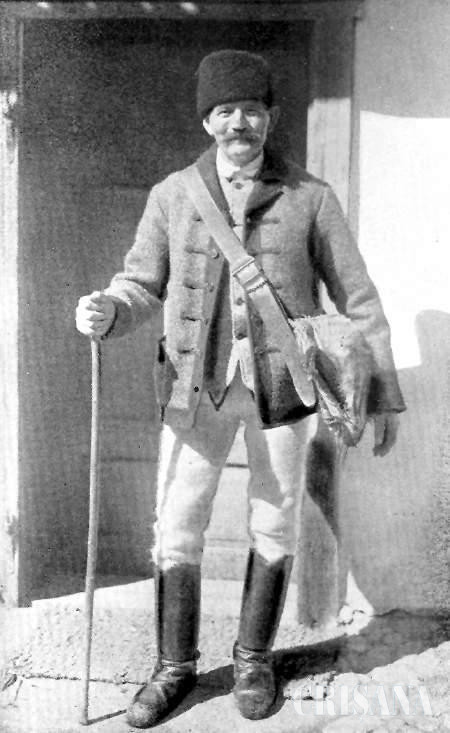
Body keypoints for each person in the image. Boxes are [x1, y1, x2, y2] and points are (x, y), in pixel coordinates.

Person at [76, 49, 406, 728]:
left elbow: (360, 297)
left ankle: (254, 659)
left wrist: (380, 393)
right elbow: (140, 283)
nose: (238, 124)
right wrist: (109, 309)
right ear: (207, 121)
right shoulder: (172, 195)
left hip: (283, 391)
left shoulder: (311, 197)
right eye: (224, 111)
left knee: (274, 522)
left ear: (270, 118)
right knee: (176, 525)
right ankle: (174, 667)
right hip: (195, 390)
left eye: (251, 110)